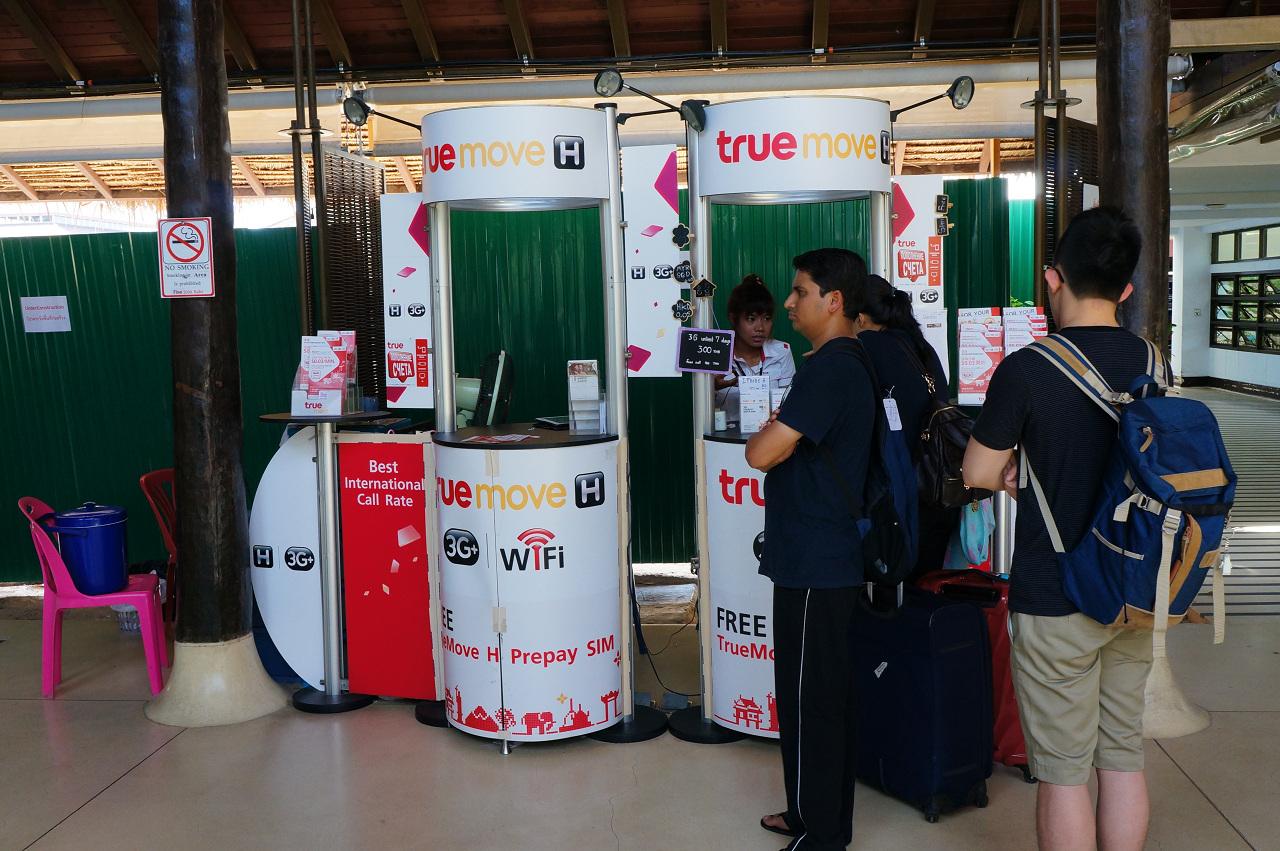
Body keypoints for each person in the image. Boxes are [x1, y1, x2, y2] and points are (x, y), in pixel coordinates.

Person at [962, 206, 1158, 851]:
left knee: (1063, 772)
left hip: (1056, 590)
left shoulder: (1028, 368)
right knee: (1121, 752)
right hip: (1133, 587)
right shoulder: (1152, 361)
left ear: (1053, 278)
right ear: (1126, 289)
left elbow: (977, 472)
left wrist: (1014, 472)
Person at [745, 248, 875, 851]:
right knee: (820, 697)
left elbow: (761, 452)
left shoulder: (831, 369)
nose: (789, 303)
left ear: (834, 300)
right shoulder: (847, 361)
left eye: (800, 292)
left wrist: (773, 438)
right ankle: (812, 815)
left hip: (816, 561)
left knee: (811, 701)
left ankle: (820, 835)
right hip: (824, 555)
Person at [849, 275, 953, 576]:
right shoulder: (920, 345)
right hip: (936, 484)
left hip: (900, 490)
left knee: (892, 582)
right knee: (925, 581)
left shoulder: (867, 346)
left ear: (859, 318)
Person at [715, 274, 796, 429]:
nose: (760, 328)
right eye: (751, 319)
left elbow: (789, 404)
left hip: (771, 436)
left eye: (766, 318)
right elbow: (702, 409)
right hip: (725, 437)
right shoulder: (717, 353)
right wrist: (711, 388)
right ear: (733, 319)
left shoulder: (782, 352)